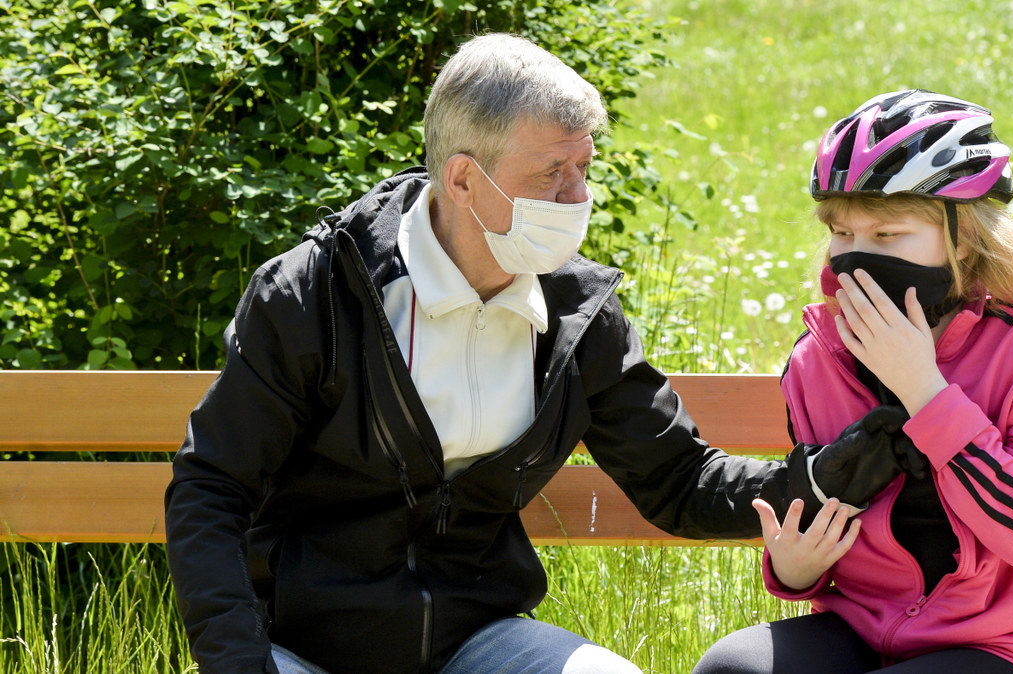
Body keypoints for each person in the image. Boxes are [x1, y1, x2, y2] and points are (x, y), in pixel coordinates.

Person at [163, 33, 861, 674]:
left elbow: (678, 482)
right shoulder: (314, 294)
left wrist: (825, 477)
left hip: (479, 642)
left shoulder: (578, 315)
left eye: (583, 167)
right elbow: (210, 489)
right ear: (463, 180)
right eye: (552, 173)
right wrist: (240, 665)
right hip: (297, 650)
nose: (578, 197)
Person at [693, 90, 1013, 674]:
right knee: (730, 669)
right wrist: (795, 568)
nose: (855, 260)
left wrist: (925, 392)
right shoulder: (818, 358)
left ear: (964, 237)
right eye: (842, 234)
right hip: (868, 631)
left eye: (887, 236)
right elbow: (829, 521)